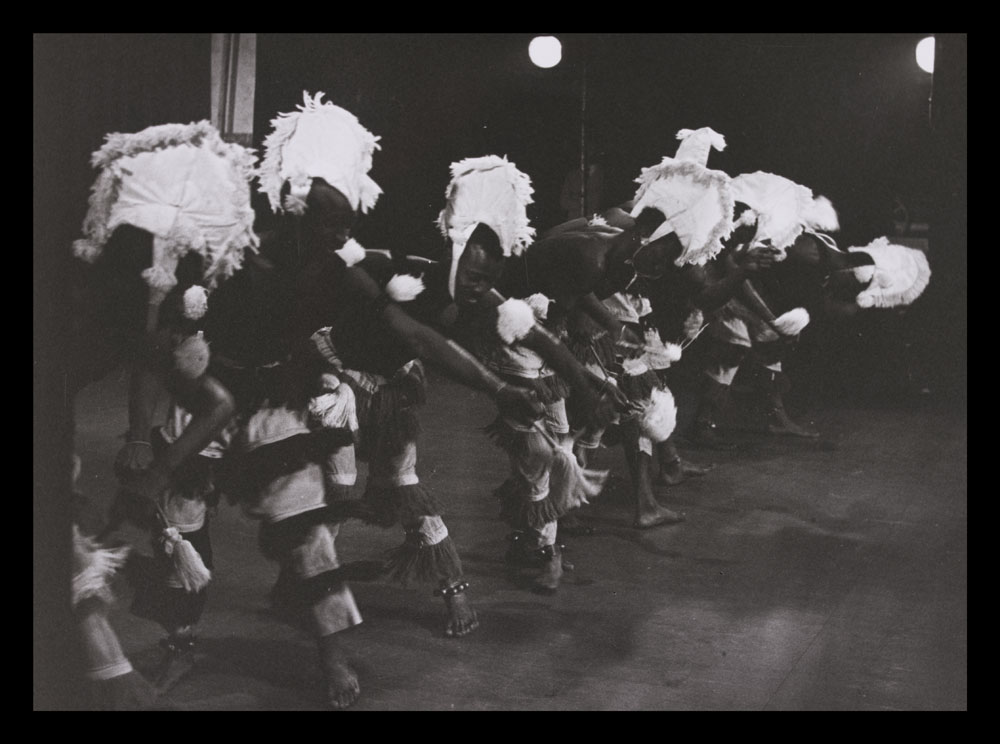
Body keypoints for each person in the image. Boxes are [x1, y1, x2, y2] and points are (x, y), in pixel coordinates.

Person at [69, 120, 255, 701]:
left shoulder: (168, 317)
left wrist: (154, 463)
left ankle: (153, 660)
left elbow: (215, 400)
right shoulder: (101, 309)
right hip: (106, 438)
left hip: (147, 443)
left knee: (168, 539)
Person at [439, 156, 623, 591]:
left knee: (552, 450)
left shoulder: (557, 257)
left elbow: (543, 330)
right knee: (539, 454)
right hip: (510, 358)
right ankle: (542, 547)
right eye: (472, 272)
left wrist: (583, 376)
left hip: (533, 351)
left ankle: (536, 541)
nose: (478, 281)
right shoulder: (567, 252)